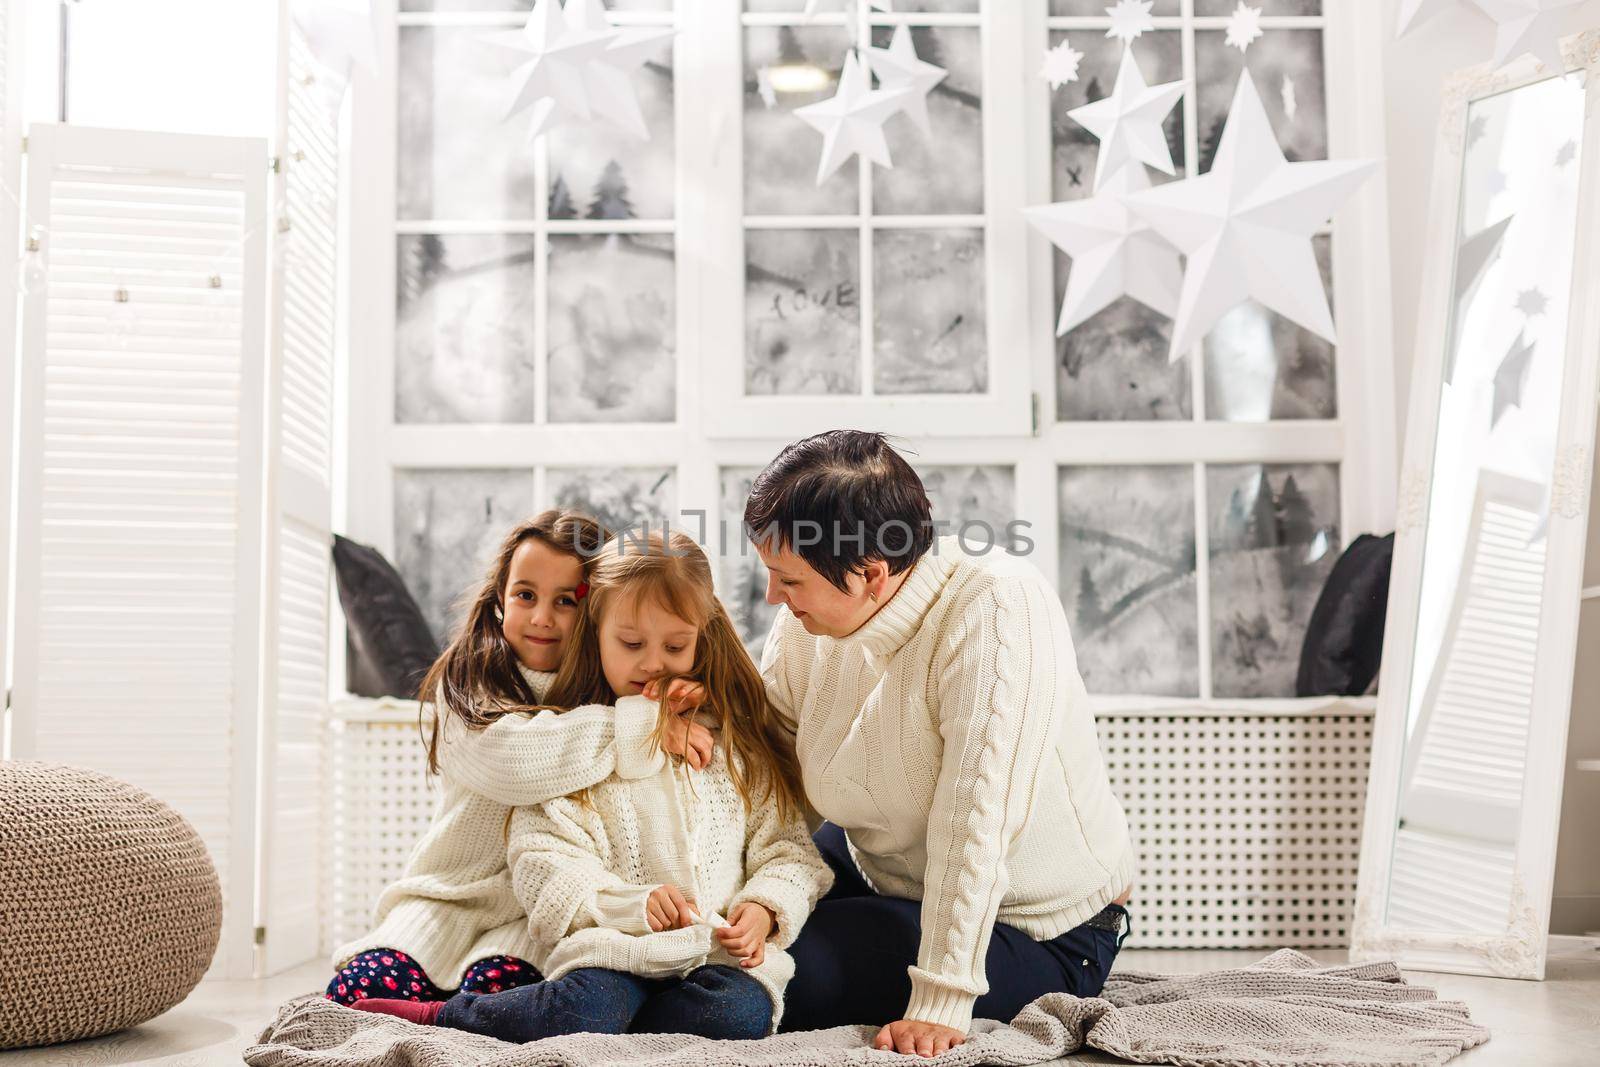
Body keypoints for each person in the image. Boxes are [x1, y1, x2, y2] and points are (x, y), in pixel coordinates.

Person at [743, 430, 1137, 1058]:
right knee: (733, 925)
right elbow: (761, 753)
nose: (774, 599)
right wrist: (696, 720)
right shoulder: (809, 622)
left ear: (870, 574)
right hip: (886, 865)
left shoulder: (997, 607)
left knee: (780, 971)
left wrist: (942, 998)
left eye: (787, 580)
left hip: (1034, 924)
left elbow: (974, 822)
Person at [353, 531, 832, 1040]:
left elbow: (789, 853)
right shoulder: (574, 744)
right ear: (594, 633)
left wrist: (764, 909)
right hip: (612, 952)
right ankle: (442, 1017)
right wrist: (630, 905)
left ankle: (617, 1035)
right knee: (585, 1010)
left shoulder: (733, 747)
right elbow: (544, 864)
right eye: (630, 644)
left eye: (675, 645)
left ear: (702, 635)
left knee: (736, 1015)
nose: (652, 662)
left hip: (718, 959)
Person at [326, 510, 716, 1005]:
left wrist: (666, 710)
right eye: (525, 595)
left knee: (497, 1003)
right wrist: (645, 727)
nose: (541, 618)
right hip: (448, 896)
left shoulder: (619, 690)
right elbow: (512, 763)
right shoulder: (466, 682)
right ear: (499, 600)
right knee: (355, 992)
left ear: (598, 612)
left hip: (537, 912)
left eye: (565, 601)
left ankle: (445, 1021)